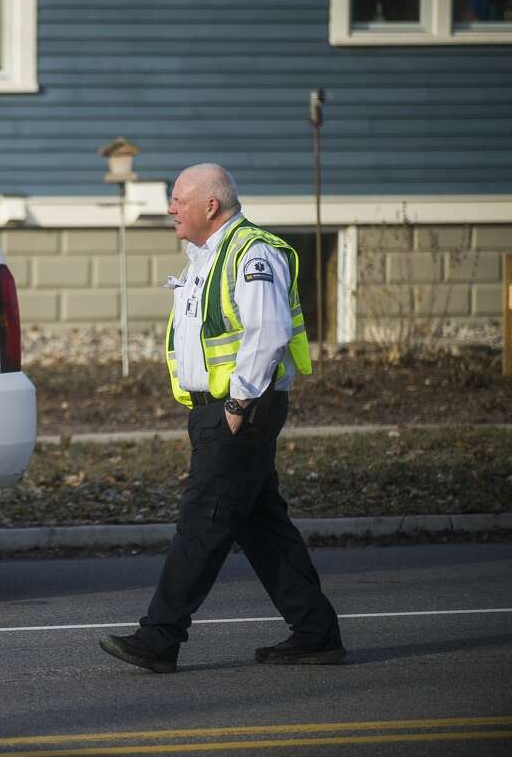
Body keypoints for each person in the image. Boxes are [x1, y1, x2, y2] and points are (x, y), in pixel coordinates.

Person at [99, 163, 344, 674]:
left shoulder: (252, 252)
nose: (171, 207)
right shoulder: (203, 256)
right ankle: (317, 633)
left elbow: (269, 333)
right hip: (217, 411)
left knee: (202, 522)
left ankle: (159, 637)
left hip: (240, 412)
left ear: (210, 205)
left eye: (178, 198)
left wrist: (237, 405)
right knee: (261, 526)